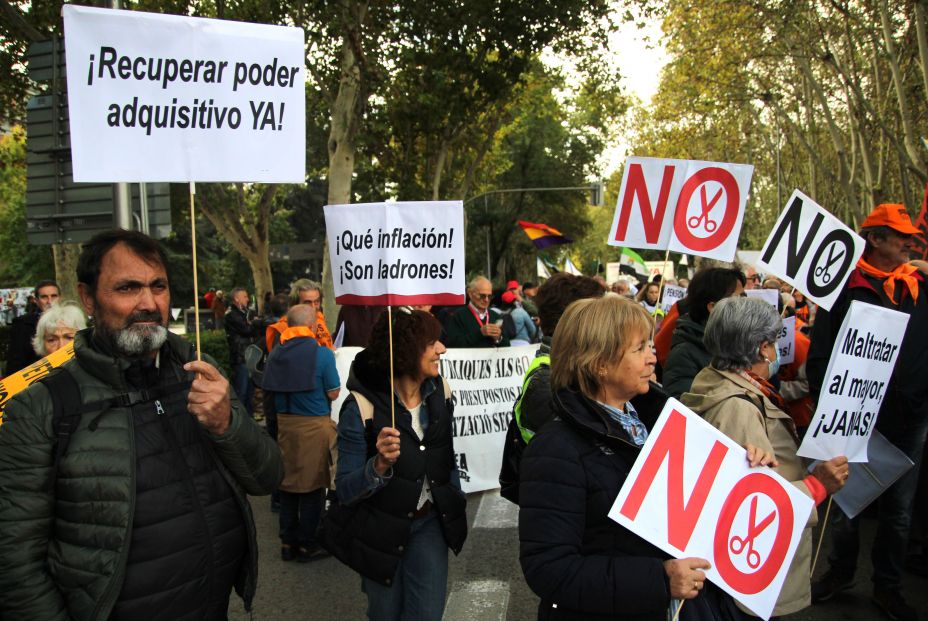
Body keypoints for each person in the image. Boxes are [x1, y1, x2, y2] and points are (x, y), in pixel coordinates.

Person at [0, 229, 282, 620]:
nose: (149, 303)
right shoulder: (40, 408)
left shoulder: (200, 376)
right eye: (128, 288)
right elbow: (15, 563)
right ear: (88, 298)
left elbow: (267, 477)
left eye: (158, 286)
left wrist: (227, 424)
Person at [519, 295, 760, 620]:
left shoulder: (662, 424)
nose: (653, 357)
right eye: (640, 349)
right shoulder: (557, 449)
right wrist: (660, 579)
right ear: (599, 363)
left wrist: (747, 469)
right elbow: (550, 569)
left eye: (650, 345)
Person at [681, 296, 848, 617]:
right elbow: (750, 507)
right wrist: (818, 486)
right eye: (772, 342)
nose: (775, 351)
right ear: (761, 348)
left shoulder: (721, 383)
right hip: (749, 574)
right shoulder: (740, 408)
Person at [808, 203, 928, 621]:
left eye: (912, 236)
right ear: (875, 239)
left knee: (899, 511)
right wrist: (831, 408)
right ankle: (840, 572)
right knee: (845, 505)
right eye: (901, 236)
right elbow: (821, 354)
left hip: (910, 419)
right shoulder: (844, 289)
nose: (910, 242)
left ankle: (888, 587)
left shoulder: (919, 286)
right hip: (855, 418)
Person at [325, 309, 467, 620]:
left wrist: (452, 503)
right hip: (378, 531)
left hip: (429, 525)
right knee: (385, 614)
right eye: (432, 342)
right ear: (406, 350)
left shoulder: (441, 393)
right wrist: (377, 466)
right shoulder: (360, 408)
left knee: (426, 615)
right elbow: (345, 490)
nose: (441, 348)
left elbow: (446, 458)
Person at [263, 304, 340, 562]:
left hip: (285, 425)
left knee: (288, 485)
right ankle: (308, 544)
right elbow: (333, 393)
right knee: (312, 487)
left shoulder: (275, 354)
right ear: (312, 326)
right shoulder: (323, 355)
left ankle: (287, 542)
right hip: (313, 426)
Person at [516, 272, 605, 439]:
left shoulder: (574, 367)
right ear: (573, 320)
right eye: (597, 316)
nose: (605, 325)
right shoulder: (546, 382)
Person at [663, 267, 745, 397]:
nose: (745, 305)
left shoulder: (741, 344)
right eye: (737, 299)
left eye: (744, 297)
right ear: (712, 307)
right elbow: (683, 406)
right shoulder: (684, 355)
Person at [5, 279, 60, 375]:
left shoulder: (70, 322)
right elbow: (15, 363)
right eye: (44, 297)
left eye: (54, 296)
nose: (50, 301)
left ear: (60, 298)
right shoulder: (22, 324)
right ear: (36, 301)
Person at [266, 279, 334, 351]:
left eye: (317, 302)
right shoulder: (283, 327)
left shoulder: (320, 318)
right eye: (307, 303)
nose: (313, 307)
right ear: (295, 304)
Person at [443, 276, 510, 348]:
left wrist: (498, 338)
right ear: (470, 293)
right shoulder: (458, 316)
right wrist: (480, 333)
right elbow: (453, 345)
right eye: (482, 296)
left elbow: (507, 347)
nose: (486, 300)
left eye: (489, 296)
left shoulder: (496, 316)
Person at [226, 286, 256, 417]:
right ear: (236, 298)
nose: (248, 299)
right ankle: (240, 420)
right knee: (242, 392)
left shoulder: (243, 313)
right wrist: (253, 324)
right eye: (245, 296)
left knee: (250, 392)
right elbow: (247, 329)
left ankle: (249, 419)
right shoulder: (232, 315)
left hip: (247, 357)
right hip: (240, 358)